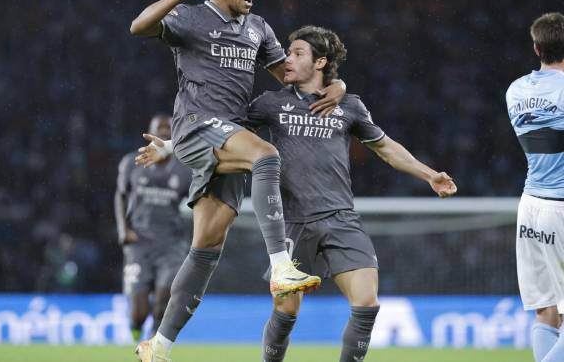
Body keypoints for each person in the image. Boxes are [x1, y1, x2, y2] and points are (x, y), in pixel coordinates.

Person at [140, 25, 457, 361]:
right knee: (285, 312)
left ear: (320, 63)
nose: (286, 59)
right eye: (288, 52)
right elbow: (222, 133)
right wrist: (172, 147)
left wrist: (429, 175)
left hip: (340, 217)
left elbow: (386, 148)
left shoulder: (349, 106)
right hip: (292, 222)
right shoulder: (270, 104)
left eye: (297, 54)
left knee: (367, 304)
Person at [130, 0, 345, 361]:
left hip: (227, 137)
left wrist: (336, 85)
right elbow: (138, 26)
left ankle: (159, 345)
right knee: (266, 154)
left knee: (206, 248)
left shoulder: (258, 29)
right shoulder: (190, 18)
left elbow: (291, 78)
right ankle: (282, 267)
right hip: (197, 124)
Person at [506, 12, 564, 362]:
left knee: (546, 311)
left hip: (530, 206)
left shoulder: (515, 90)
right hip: (561, 204)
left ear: (536, 48)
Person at [115, 115, 192, 342]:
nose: (165, 132)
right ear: (149, 132)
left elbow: (198, 201)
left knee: (162, 303)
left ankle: (152, 346)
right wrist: (122, 229)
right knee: (139, 311)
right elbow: (120, 195)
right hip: (139, 243)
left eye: (169, 129)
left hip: (171, 245)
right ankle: (136, 327)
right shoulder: (132, 162)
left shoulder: (184, 168)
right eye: (160, 129)